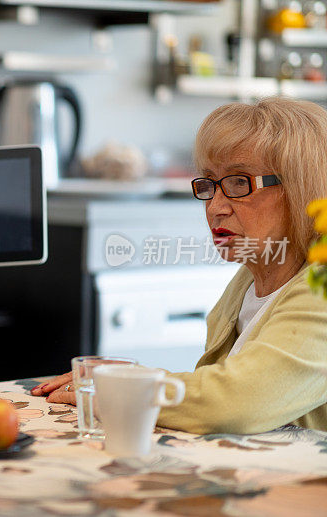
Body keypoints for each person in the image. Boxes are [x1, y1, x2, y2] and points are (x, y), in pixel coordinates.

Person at [34, 97, 327, 434]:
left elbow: (237, 402)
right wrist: (130, 378)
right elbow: (218, 389)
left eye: (238, 183)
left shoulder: (322, 289)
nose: (216, 206)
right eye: (210, 183)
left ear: (302, 187)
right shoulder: (248, 279)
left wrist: (128, 386)